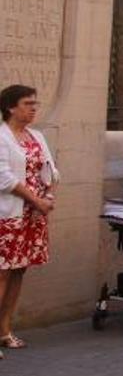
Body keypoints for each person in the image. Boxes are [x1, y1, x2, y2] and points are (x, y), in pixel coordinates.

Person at [0, 85, 58, 355]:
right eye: (27, 103)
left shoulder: (36, 135)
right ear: (11, 107)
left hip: (33, 215)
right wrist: (36, 200)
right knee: (2, 273)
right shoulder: (2, 136)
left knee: (18, 270)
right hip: (9, 215)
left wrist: (48, 197)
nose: (33, 108)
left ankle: (5, 329)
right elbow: (5, 178)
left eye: (35, 103)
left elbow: (50, 170)